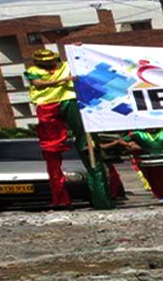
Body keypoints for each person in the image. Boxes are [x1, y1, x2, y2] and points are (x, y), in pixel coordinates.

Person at [25, 49, 114, 209]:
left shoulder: (67, 65)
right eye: (44, 62)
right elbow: (38, 84)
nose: (48, 64)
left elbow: (86, 63)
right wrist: (64, 80)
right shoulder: (33, 71)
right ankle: (60, 197)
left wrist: (79, 48)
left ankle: (101, 195)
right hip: (47, 104)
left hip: (69, 100)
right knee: (51, 147)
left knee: (84, 139)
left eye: (50, 60)